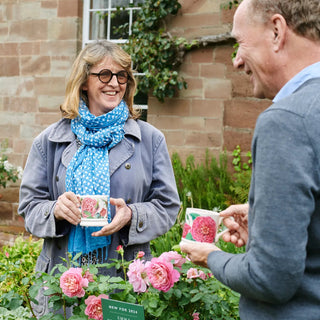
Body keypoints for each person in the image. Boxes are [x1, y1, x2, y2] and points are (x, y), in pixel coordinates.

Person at [18, 40, 180, 317]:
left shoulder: (150, 140)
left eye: (122, 76)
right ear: (83, 82)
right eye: (104, 74)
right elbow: (29, 207)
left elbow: (168, 206)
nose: (114, 83)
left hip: (124, 276)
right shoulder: (49, 141)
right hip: (62, 277)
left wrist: (131, 215)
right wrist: (55, 209)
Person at [180, 0, 320, 319]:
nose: (236, 61)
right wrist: (265, 217)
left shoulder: (287, 120)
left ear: (276, 31)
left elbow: (270, 279)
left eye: (239, 42)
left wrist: (212, 257)